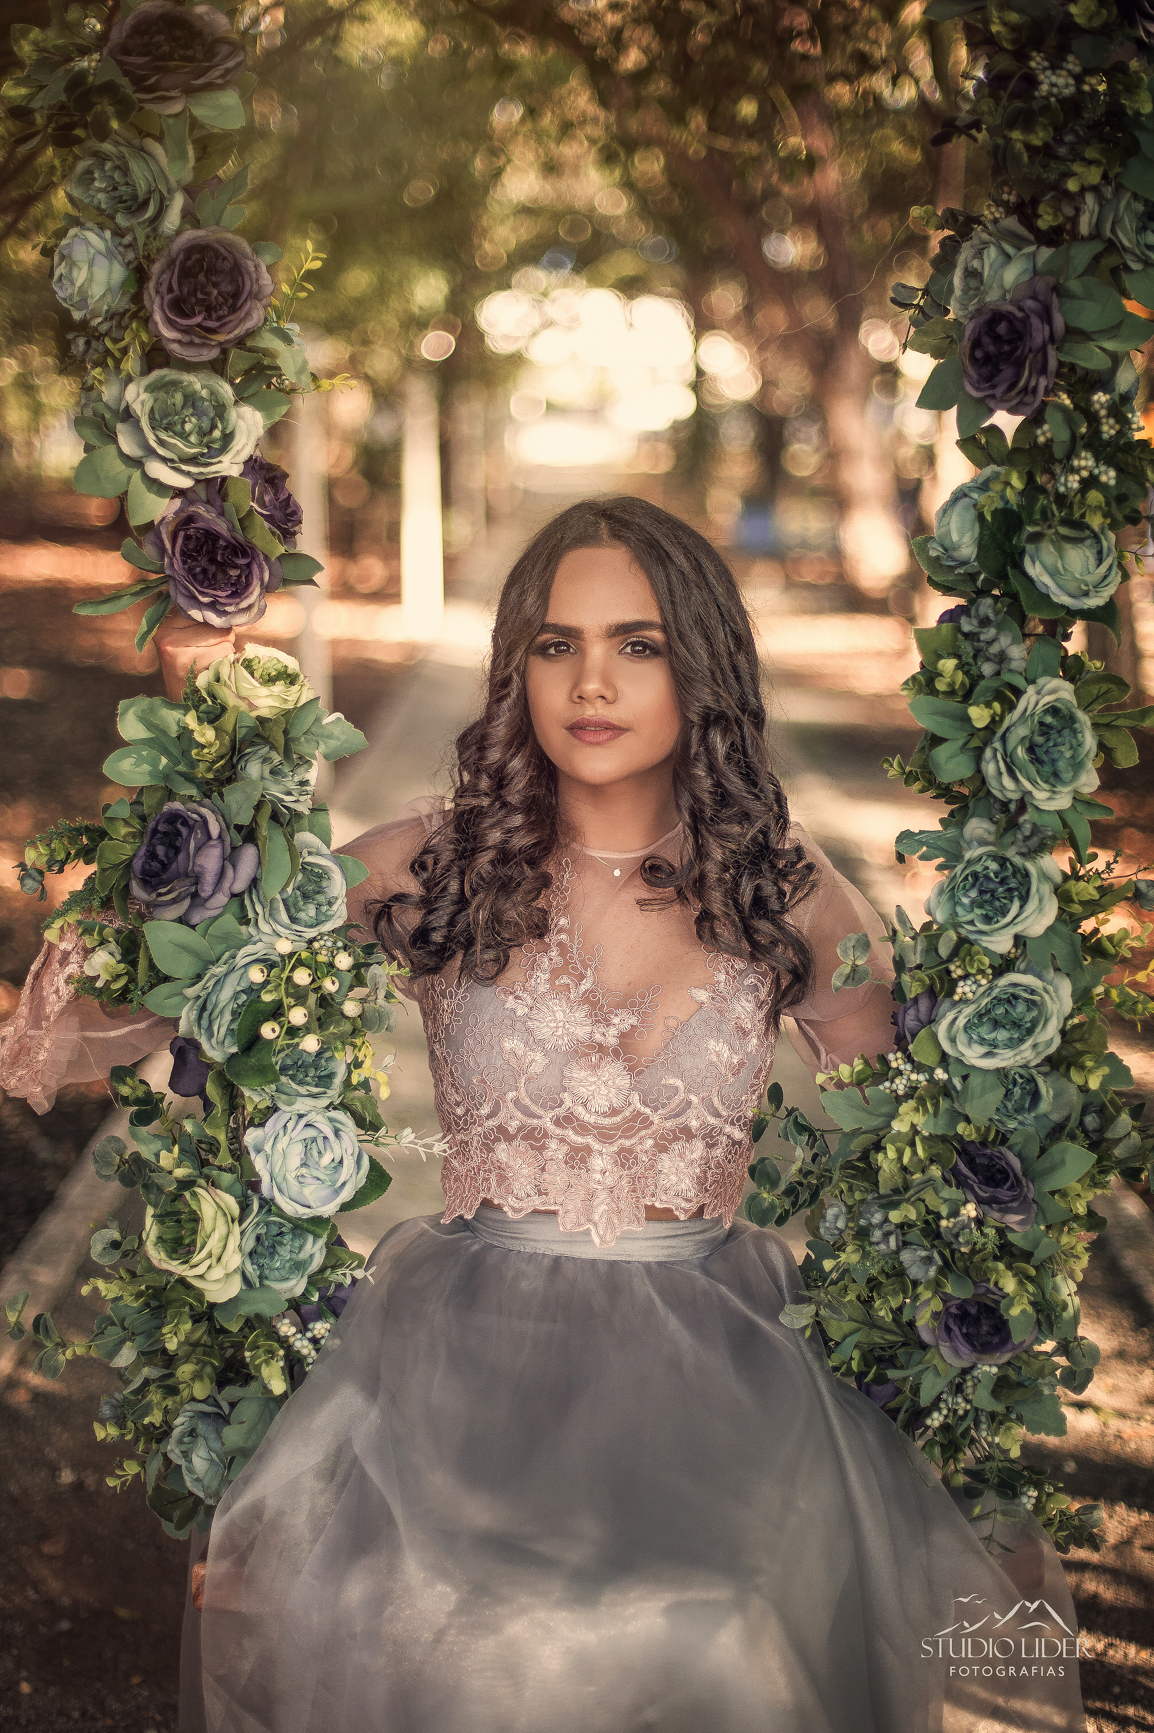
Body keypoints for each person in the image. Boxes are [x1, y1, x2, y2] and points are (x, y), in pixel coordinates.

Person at [6, 498, 1087, 1733]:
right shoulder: (434, 865)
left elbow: (908, 1156)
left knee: (720, 1619)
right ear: (515, 665)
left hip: (719, 1366)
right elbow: (152, 995)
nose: (590, 681)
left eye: (636, 644)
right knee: (428, 1607)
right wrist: (155, 893)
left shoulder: (783, 888)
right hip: (459, 1359)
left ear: (703, 667)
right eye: (555, 643)